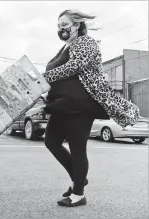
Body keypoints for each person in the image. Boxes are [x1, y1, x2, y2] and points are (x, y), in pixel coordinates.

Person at [42, 9, 140, 207]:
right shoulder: (62, 49)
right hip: (61, 105)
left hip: (81, 104)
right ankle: (79, 178)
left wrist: (43, 78)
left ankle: (78, 193)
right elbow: (57, 71)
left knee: (77, 147)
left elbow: (75, 66)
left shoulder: (86, 42)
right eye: (58, 26)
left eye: (64, 25)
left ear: (76, 25)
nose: (60, 29)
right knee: (51, 141)